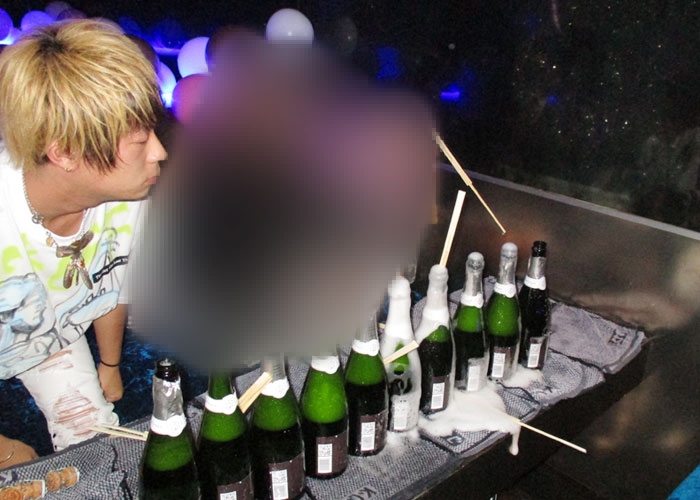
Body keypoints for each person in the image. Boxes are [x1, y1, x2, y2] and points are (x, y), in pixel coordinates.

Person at [0, 19, 166, 468]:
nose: (160, 152)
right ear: (65, 152)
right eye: (140, 141)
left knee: (95, 446)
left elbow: (113, 281)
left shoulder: (130, 199)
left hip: (48, 334)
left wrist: (109, 365)